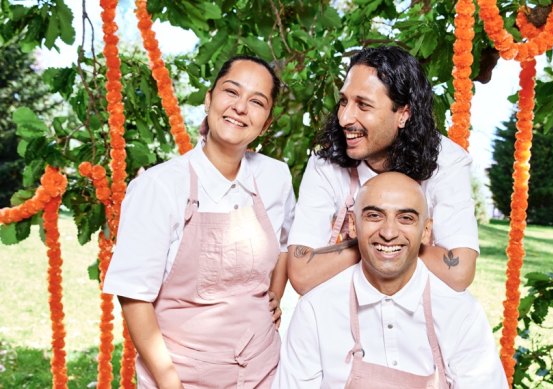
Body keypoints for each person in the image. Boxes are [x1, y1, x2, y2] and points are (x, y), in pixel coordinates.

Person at [103, 55, 295, 388]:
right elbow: (134, 296)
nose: (240, 107)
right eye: (231, 92)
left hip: (266, 371)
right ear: (208, 100)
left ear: (266, 122)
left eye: (257, 101)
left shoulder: (276, 176)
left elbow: (282, 245)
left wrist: (274, 295)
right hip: (183, 377)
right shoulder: (159, 187)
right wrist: (168, 381)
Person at [273, 172, 507, 388]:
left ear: (426, 231)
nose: (388, 232)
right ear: (354, 226)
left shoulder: (460, 312)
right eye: (374, 216)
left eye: (406, 218)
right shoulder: (316, 310)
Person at [288, 46, 478, 295]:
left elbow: (459, 271)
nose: (345, 118)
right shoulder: (326, 162)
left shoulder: (448, 162)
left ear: (403, 114)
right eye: (344, 101)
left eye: (363, 105)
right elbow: (302, 274)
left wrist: (365, 242)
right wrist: (379, 242)